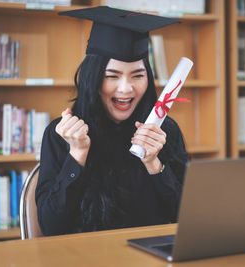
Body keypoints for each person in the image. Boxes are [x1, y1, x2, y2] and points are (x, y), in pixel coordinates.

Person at [35, 6, 188, 236]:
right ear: (93, 79)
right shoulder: (60, 134)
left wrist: (154, 165)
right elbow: (51, 227)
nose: (126, 89)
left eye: (137, 75)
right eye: (112, 76)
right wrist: (77, 155)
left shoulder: (165, 132)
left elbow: (185, 218)